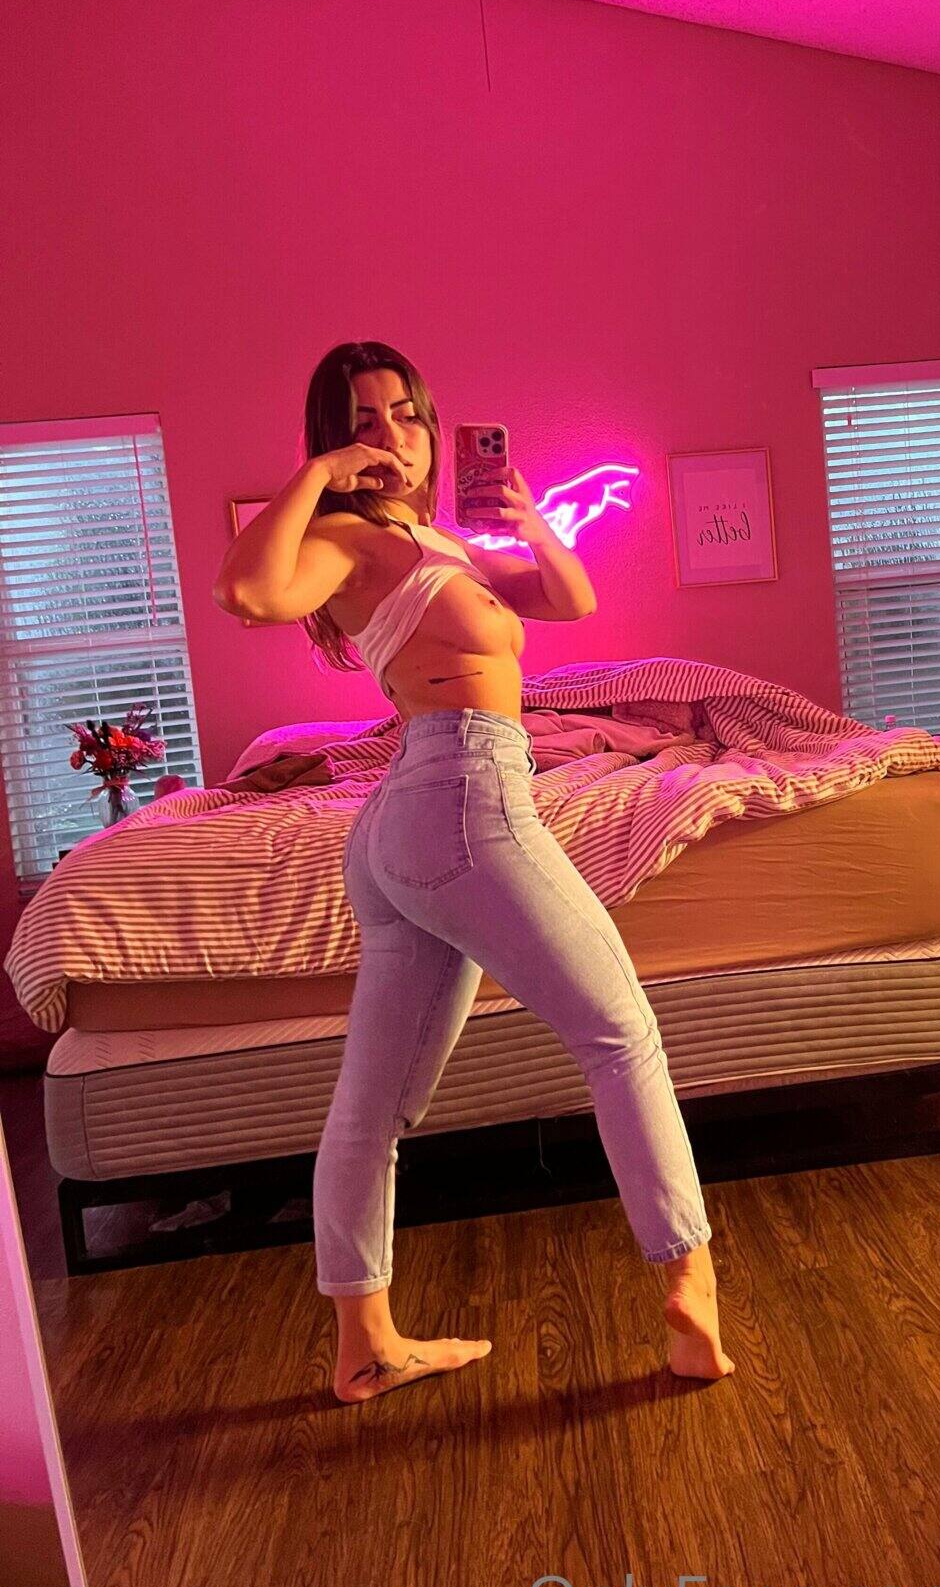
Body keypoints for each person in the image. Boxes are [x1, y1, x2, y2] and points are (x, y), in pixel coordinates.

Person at [213, 341, 733, 1403]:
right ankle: (693, 1289)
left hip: (413, 819)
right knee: (620, 1032)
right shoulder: (345, 539)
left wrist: (530, 516)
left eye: (406, 414)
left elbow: (569, 598)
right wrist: (321, 476)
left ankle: (365, 1344)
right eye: (363, 420)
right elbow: (246, 591)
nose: (392, 435)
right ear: (333, 440)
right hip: (459, 797)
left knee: (376, 1104)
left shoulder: (434, 542)